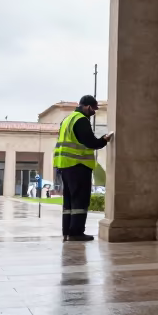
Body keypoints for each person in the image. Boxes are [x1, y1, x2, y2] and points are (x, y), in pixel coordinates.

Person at [53, 95, 112, 242]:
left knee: (69, 201)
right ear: (87, 106)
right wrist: (104, 140)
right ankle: (76, 233)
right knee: (80, 200)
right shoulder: (81, 120)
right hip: (78, 166)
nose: (94, 113)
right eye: (93, 109)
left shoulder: (67, 119)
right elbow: (91, 142)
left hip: (64, 166)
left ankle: (67, 231)